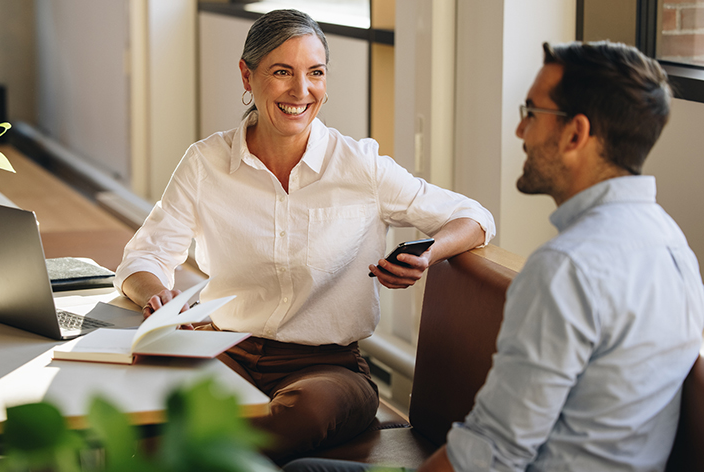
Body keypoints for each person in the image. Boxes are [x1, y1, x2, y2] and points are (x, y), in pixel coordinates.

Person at [282, 40, 704, 472]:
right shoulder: (674, 247)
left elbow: (490, 454)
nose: (520, 132)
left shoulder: (567, 268)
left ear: (575, 133)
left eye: (532, 113)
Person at [114, 9, 495, 461]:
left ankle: (188, 457)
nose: (301, 90)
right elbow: (144, 256)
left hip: (327, 370)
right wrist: (155, 294)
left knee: (305, 413)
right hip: (223, 347)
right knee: (140, 389)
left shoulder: (361, 167)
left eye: (315, 73)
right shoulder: (204, 163)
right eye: (282, 72)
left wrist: (428, 255)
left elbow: (474, 217)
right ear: (247, 75)